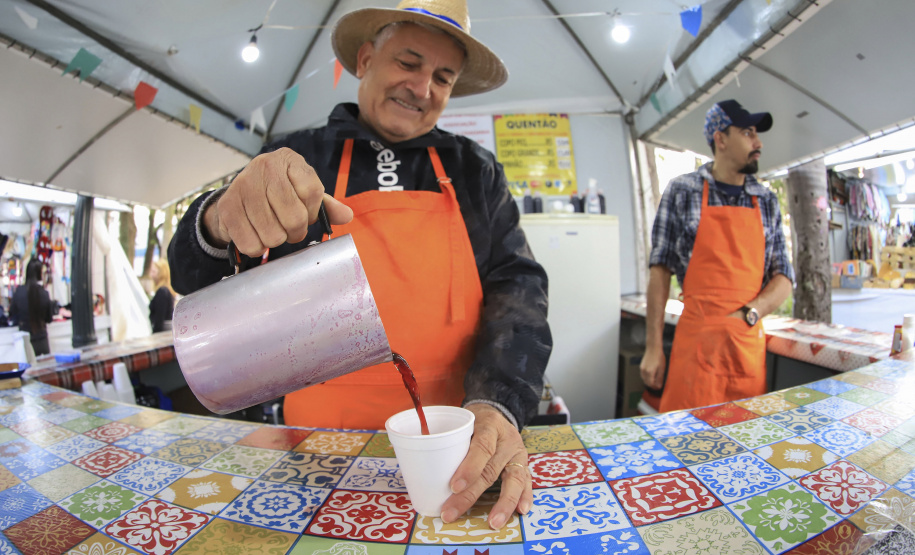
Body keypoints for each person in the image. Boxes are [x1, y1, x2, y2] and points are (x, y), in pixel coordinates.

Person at [168, 0, 551, 530]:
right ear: (366, 57)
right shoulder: (297, 158)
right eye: (409, 63)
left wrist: (500, 404)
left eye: (443, 76)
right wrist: (215, 220)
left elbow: (519, 288)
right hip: (318, 445)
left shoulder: (475, 170)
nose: (422, 88)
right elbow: (196, 282)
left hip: (452, 447)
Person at [640, 99, 794, 413]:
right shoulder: (682, 191)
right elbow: (659, 272)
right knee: (684, 444)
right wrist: (653, 347)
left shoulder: (765, 200)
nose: (758, 142)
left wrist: (751, 312)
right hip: (695, 347)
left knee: (742, 446)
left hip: (745, 348)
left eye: (756, 134)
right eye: (748, 133)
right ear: (720, 139)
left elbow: (784, 278)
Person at [9, 259, 55, 356]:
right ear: (39, 274)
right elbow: (49, 318)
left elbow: (12, 313)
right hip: (42, 340)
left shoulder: (19, 292)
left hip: (25, 341)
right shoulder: (44, 294)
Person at [148, 258, 176, 332]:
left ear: (161, 273)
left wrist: (155, 334)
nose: (151, 275)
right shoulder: (166, 291)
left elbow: (159, 318)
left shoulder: (162, 292)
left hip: (162, 332)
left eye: (153, 271)